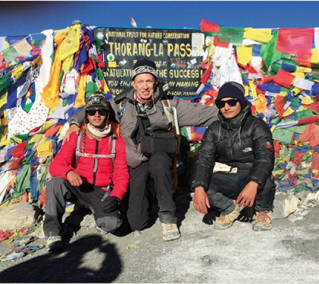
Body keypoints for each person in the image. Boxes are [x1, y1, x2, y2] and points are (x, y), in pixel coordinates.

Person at [65, 59, 218, 241]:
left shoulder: (169, 104)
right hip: (135, 165)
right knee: (137, 222)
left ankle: (168, 216)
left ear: (155, 82)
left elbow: (203, 114)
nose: (145, 86)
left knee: (159, 162)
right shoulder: (121, 105)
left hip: (159, 159)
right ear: (133, 84)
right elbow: (93, 109)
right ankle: (151, 197)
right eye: (140, 81)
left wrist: (235, 110)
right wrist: (75, 123)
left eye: (149, 81)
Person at [44, 92, 129, 252]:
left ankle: (93, 214)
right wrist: (69, 172)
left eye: (101, 111)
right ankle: (53, 233)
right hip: (78, 186)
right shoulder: (76, 137)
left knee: (113, 225)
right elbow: (55, 165)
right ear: (86, 115)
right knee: (56, 184)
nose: (97, 115)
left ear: (107, 114)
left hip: (100, 191)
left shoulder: (117, 141)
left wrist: (116, 196)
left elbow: (121, 174)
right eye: (92, 111)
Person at [191, 81, 276, 231]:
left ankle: (262, 211)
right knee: (205, 187)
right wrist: (198, 187)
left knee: (266, 182)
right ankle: (230, 208)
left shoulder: (257, 126)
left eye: (231, 102)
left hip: (250, 174)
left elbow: (265, 157)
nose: (226, 107)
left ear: (241, 102)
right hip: (228, 176)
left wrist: (253, 183)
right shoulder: (214, 129)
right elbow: (204, 158)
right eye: (221, 103)